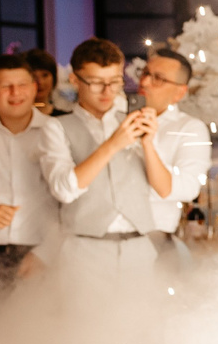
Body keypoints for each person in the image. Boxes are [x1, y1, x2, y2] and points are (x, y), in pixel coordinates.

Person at [53, 38, 171, 292]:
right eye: (96, 82)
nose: (107, 91)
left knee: (142, 317)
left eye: (115, 82)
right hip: (84, 251)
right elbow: (64, 189)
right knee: (85, 318)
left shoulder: (134, 121)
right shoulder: (56, 127)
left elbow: (164, 189)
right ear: (75, 80)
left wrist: (148, 143)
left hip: (139, 248)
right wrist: (113, 144)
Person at [0, 54, 71, 286]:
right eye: (6, 86)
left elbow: (71, 198)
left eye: (22, 85)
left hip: (43, 251)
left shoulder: (57, 131)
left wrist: (47, 252)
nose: (15, 93)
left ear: (34, 88)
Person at [137, 47, 213, 268]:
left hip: (154, 238)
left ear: (179, 92)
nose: (145, 83)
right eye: (145, 73)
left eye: (158, 79)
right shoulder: (117, 119)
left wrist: (148, 144)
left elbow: (187, 188)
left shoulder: (190, 128)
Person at [24, 48, 61, 114]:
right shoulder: (12, 118)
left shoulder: (64, 117)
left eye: (45, 75)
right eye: (34, 76)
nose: (40, 82)